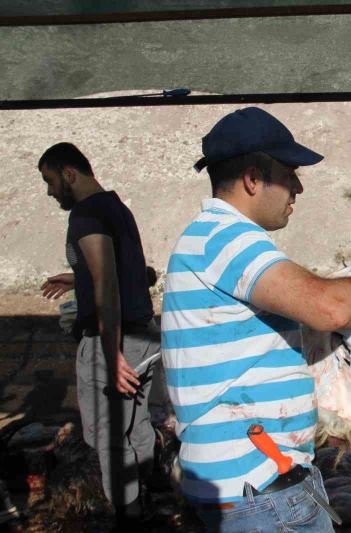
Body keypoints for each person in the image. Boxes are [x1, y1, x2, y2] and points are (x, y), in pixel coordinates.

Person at [161, 107, 351, 532]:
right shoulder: (227, 238)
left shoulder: (210, 238)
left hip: (250, 486)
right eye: (289, 174)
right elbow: (328, 308)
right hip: (258, 494)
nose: (297, 188)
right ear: (252, 179)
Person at [38, 143, 161, 527]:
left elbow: (107, 284)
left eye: (50, 180)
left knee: (108, 438)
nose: (50, 191)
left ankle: (130, 518)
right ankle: (151, 500)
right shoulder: (115, 208)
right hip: (143, 336)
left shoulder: (85, 214)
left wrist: (111, 355)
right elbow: (128, 271)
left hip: (114, 340)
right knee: (137, 426)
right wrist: (76, 278)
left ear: (70, 174)